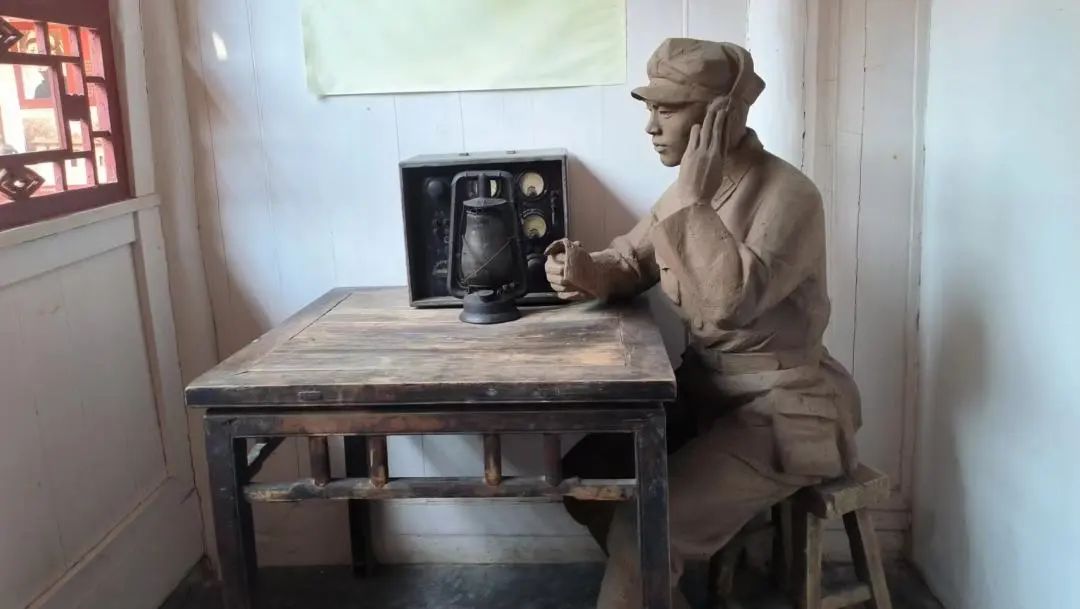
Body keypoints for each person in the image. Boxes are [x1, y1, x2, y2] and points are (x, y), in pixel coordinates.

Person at [544, 38, 862, 609]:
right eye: (651, 109)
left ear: (723, 115)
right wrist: (584, 270)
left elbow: (726, 304)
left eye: (667, 110)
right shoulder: (689, 191)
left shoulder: (788, 196)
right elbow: (633, 261)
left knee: (643, 532)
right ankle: (653, 586)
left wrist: (693, 199)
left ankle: (642, 570)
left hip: (779, 414)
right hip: (705, 396)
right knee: (585, 477)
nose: (650, 127)